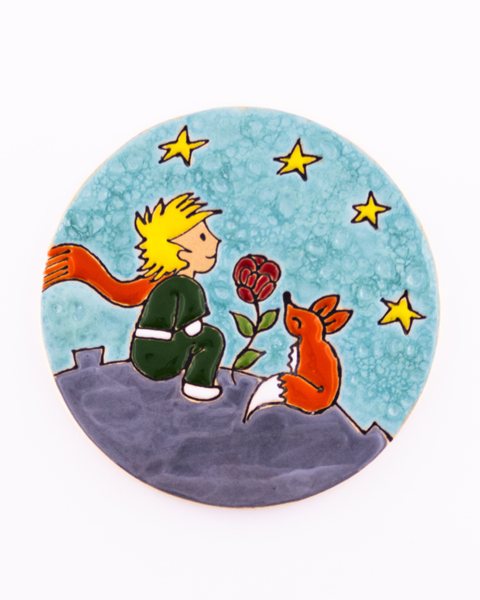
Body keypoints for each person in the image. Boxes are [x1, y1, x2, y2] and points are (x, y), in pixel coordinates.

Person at [44, 193, 225, 400]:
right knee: (207, 332)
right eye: (202, 236)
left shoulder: (165, 284)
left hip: (156, 353)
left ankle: (197, 384)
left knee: (212, 337)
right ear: (179, 251)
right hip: (155, 353)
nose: (216, 239)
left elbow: (127, 294)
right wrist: (191, 324)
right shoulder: (178, 284)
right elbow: (125, 293)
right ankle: (196, 376)